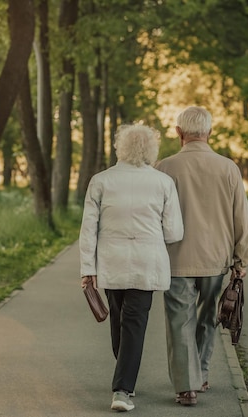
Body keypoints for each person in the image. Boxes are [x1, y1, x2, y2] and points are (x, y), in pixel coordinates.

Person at [79, 124, 184, 412]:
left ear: (120, 148)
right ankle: (126, 378)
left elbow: (88, 229)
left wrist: (87, 268)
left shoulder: (101, 181)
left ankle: (122, 389)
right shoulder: (163, 183)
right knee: (130, 326)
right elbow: (174, 232)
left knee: (123, 324)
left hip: (111, 263)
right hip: (146, 263)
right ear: (151, 150)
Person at [154, 106, 248, 406]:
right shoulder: (228, 168)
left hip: (175, 259)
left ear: (179, 133)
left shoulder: (164, 168)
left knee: (179, 321)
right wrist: (241, 261)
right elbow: (242, 219)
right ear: (209, 133)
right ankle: (203, 373)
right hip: (216, 259)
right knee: (208, 318)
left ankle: (187, 386)